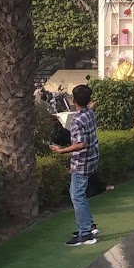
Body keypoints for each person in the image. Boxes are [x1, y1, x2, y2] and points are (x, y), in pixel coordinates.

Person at [51, 84, 100, 246]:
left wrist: (61, 151)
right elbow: (89, 108)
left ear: (74, 100)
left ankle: (85, 233)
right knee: (79, 194)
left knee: (77, 196)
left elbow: (80, 144)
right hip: (92, 159)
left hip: (81, 163)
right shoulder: (90, 113)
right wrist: (92, 105)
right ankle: (88, 225)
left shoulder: (77, 120)